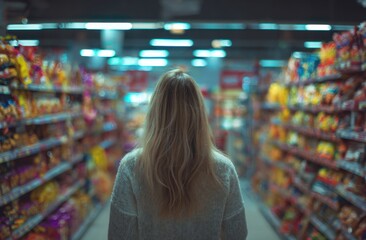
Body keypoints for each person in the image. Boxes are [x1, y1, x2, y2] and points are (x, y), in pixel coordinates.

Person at [108, 69, 247, 240]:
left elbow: (118, 234)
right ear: (200, 114)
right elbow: (237, 233)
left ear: (154, 112)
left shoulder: (131, 166)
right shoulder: (224, 169)